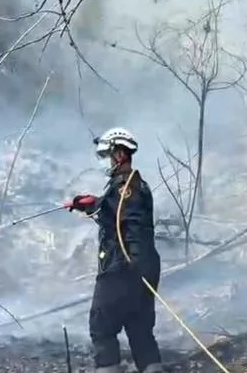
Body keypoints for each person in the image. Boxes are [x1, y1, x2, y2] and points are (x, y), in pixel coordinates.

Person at [67, 127, 163, 373]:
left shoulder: (125, 187)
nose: (106, 162)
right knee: (140, 331)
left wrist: (131, 264)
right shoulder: (135, 186)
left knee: (102, 328)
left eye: (108, 155)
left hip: (122, 267)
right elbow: (116, 214)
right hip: (143, 269)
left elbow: (124, 220)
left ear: (119, 155)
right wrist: (90, 204)